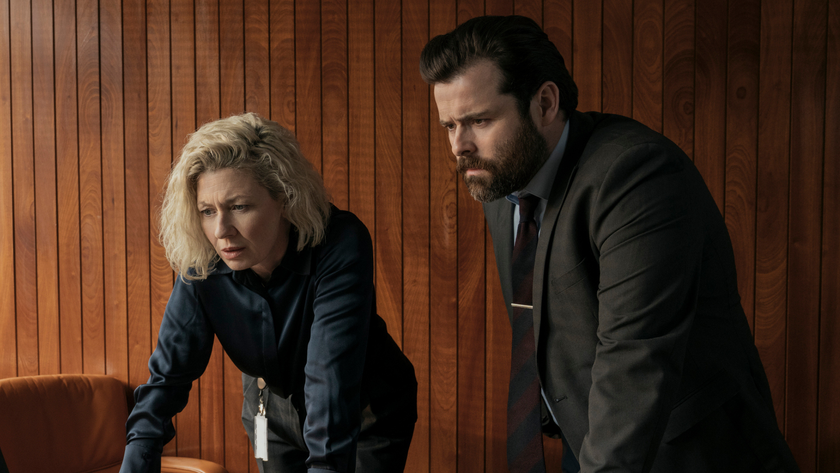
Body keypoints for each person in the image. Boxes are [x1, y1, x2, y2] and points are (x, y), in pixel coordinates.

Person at [420, 15, 799, 473]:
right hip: (591, 442)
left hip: (689, 454)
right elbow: (545, 313)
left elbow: (634, 367)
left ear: (544, 103)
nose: (459, 146)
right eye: (449, 126)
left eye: (479, 120)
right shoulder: (502, 175)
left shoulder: (636, 176)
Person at [120, 113, 417, 473]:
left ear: (285, 198)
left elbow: (330, 380)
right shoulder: (205, 259)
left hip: (362, 410)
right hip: (267, 410)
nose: (221, 230)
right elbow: (167, 378)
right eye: (207, 211)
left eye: (239, 207)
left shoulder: (340, 242)